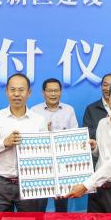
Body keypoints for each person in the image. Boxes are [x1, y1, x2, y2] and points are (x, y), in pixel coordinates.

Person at [65, 79, 111, 213]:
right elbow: (103, 154)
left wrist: (85, 186)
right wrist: (95, 147)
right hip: (97, 188)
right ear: (108, 98)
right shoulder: (102, 123)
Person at [0, 73, 48, 212]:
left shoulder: (39, 120)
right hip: (1, 183)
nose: (16, 94)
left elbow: (46, 152)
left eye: (21, 90)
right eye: (13, 90)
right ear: (6, 91)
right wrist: (4, 143)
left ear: (29, 93)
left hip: (29, 183)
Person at [30, 78, 78, 212]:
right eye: (49, 91)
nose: (53, 94)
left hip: (62, 164)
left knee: (62, 205)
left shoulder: (69, 110)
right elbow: (30, 138)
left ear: (60, 92)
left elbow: (75, 136)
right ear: (43, 93)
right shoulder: (34, 111)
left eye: (56, 90)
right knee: (39, 204)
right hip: (41, 164)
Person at [82, 73, 111, 140]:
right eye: (105, 85)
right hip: (98, 146)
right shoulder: (91, 109)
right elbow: (87, 133)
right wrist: (104, 127)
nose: (108, 88)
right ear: (101, 86)